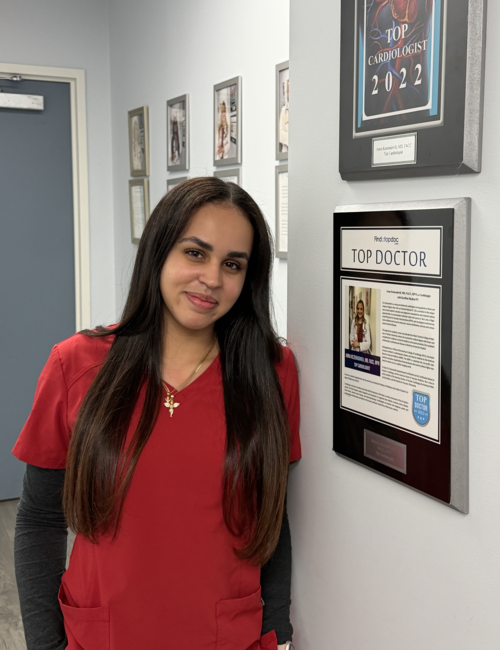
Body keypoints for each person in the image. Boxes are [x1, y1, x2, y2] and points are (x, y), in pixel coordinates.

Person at [13, 177, 300, 650]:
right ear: (159, 251)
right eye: (195, 253)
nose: (212, 278)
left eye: (232, 264)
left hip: (226, 637)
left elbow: (272, 517)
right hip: (102, 636)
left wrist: (278, 634)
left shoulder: (271, 372)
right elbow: (40, 519)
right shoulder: (76, 364)